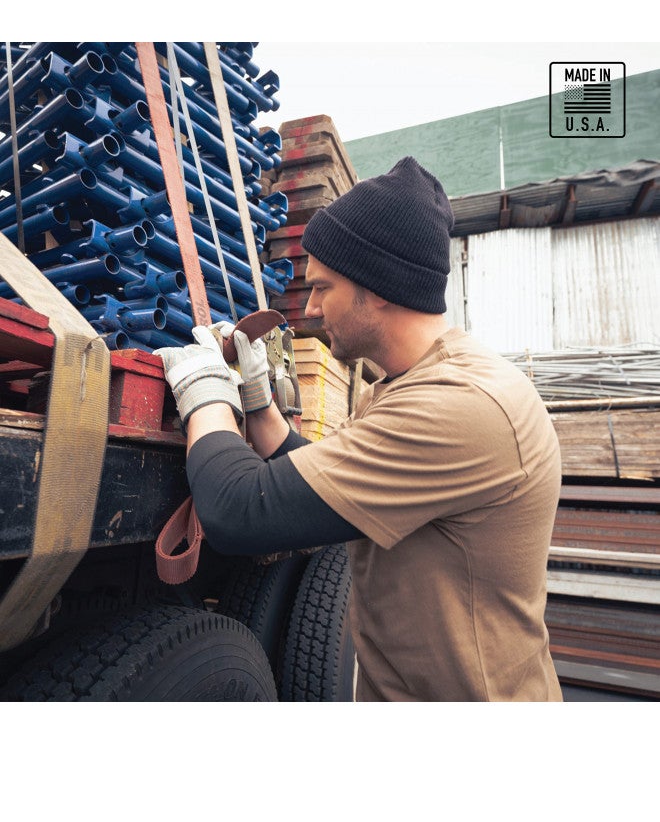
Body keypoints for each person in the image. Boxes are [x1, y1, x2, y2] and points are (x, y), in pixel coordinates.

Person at [155, 156, 563, 702]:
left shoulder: (460, 406)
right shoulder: (397, 387)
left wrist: (203, 388)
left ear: (381, 287)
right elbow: (327, 491)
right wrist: (258, 405)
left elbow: (237, 510)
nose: (312, 307)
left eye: (323, 287)